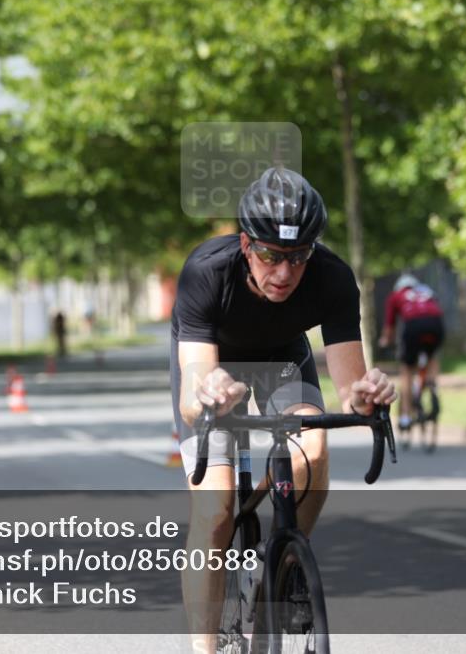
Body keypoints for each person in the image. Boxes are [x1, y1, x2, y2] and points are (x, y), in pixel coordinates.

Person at [170, 167, 396, 651]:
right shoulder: (206, 272)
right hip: (213, 365)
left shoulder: (332, 278)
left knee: (313, 447)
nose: (285, 272)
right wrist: (211, 393)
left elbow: (351, 389)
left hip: (282, 358)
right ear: (247, 244)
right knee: (215, 512)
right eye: (271, 255)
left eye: (298, 256)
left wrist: (368, 392)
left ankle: (287, 566)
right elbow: (193, 394)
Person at [378, 273, 445, 435]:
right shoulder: (426, 291)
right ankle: (432, 385)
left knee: (407, 370)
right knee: (432, 356)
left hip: (414, 326)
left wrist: (385, 342)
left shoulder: (396, 296)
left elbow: (390, 327)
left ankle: (405, 417)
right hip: (436, 324)